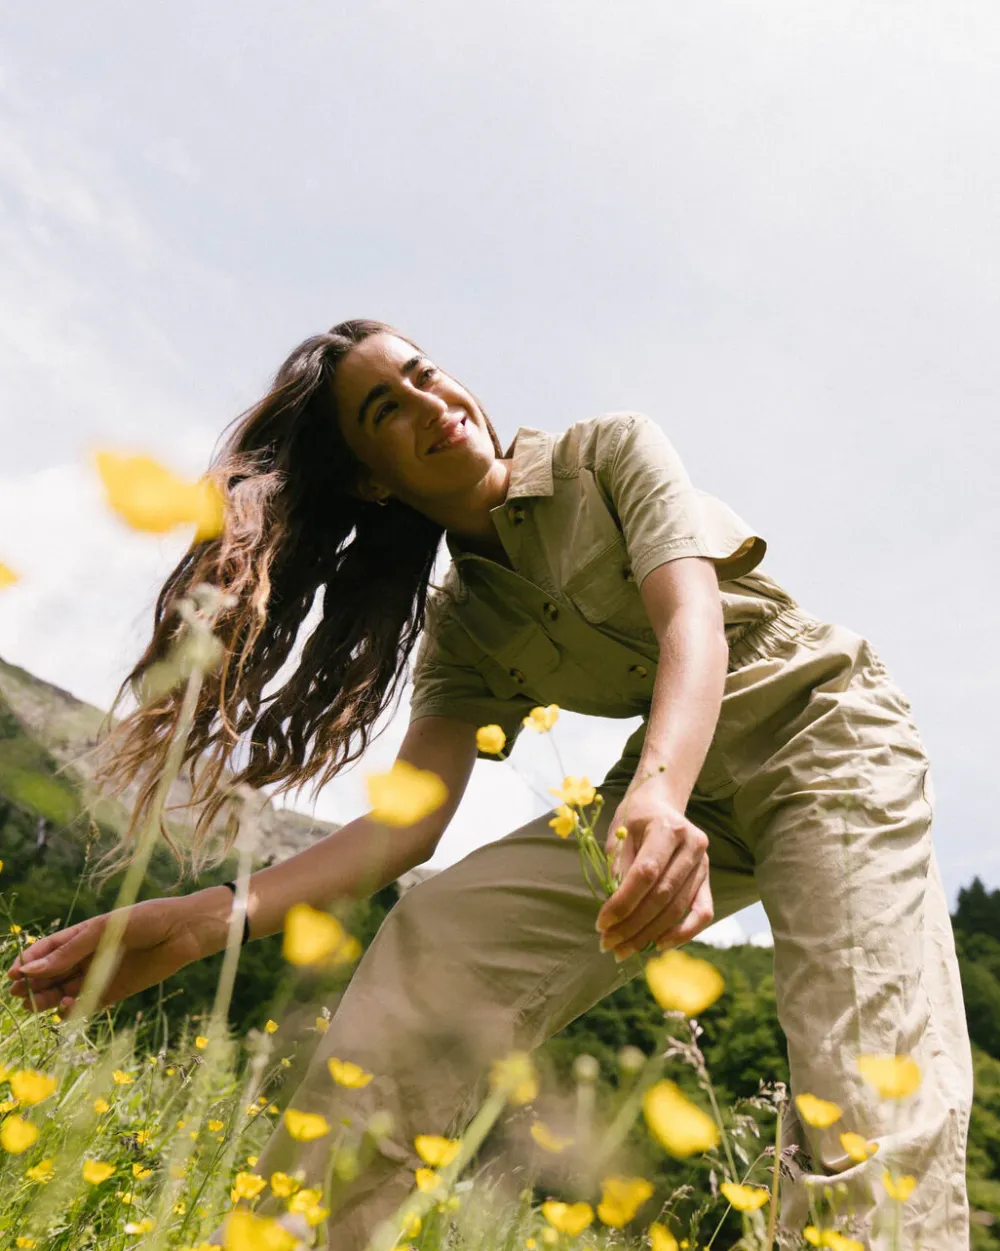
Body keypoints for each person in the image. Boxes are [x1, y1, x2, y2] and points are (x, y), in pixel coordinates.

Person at [5, 319, 973, 1249]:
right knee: (433, 935)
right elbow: (405, 828)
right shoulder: (464, 626)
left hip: (826, 732)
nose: (428, 402)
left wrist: (658, 792)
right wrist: (197, 922)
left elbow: (693, 620)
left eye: (422, 373)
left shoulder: (607, 453)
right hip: (679, 787)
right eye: (385, 410)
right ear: (370, 481)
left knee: (866, 1086)